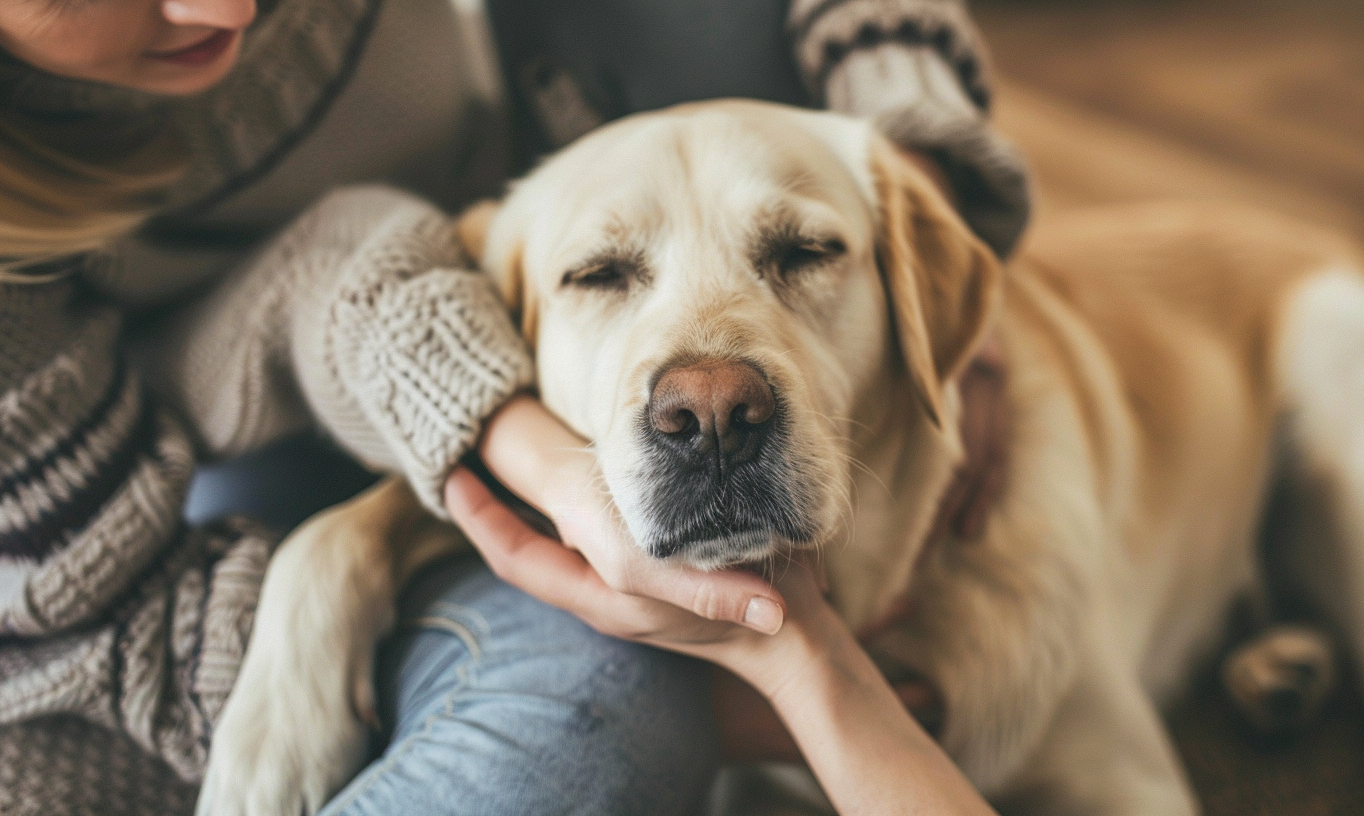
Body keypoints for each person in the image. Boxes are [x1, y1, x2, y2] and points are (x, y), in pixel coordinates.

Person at [0, 0, 1028, 814]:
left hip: (501, 239)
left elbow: (346, 265)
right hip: (198, 483)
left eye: (800, 252)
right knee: (590, 724)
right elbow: (102, 634)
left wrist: (916, 211)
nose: (221, 5)